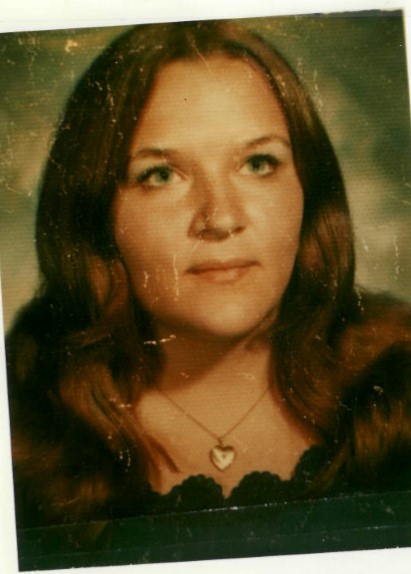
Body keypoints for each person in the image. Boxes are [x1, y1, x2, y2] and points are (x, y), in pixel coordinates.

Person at [6, 19, 411, 529]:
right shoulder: (20, 424)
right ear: (97, 216)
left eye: (258, 164)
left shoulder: (398, 382)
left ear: (308, 191)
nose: (220, 218)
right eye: (161, 175)